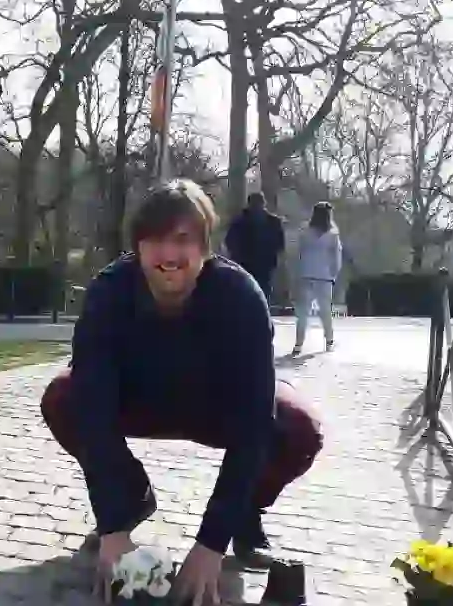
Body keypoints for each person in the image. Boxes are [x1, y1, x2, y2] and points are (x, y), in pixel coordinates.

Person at [41, 180, 323, 605]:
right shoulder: (107, 292)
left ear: (206, 248)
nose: (169, 256)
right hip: (139, 399)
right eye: (155, 241)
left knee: (300, 427)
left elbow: (253, 424)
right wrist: (113, 524)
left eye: (183, 241)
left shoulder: (242, 298)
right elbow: (94, 406)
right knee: (63, 396)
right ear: (137, 246)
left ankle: (245, 513)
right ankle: (131, 495)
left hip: (217, 406)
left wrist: (212, 542)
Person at [292, 202, 343, 356]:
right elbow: (336, 257)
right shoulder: (333, 234)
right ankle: (329, 340)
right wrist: (334, 274)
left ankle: (298, 343)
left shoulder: (304, 231)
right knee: (325, 310)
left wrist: (297, 272)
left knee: (303, 312)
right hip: (324, 276)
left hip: (306, 274)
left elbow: (298, 253)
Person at [224, 192, 285, 304]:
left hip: (250, 264)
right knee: (260, 294)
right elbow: (280, 244)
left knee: (248, 293)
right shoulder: (273, 222)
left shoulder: (239, 221)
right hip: (258, 264)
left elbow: (230, 241)